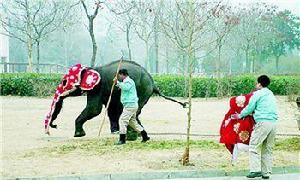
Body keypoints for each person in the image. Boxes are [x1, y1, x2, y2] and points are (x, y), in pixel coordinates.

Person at [231, 75, 278, 179]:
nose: (256, 85)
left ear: (259, 84)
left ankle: (255, 170)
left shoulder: (258, 94)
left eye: (257, 83)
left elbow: (250, 107)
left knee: (254, 146)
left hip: (262, 122)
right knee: (267, 148)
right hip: (273, 123)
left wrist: (240, 115)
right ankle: (266, 173)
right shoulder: (271, 94)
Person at [113, 69, 150, 145]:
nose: (119, 77)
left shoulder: (129, 81)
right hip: (130, 105)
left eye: (119, 75)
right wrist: (117, 83)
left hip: (130, 105)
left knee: (122, 121)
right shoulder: (126, 81)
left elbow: (125, 87)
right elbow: (123, 87)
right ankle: (144, 135)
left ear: (123, 74)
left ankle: (122, 139)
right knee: (132, 122)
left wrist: (117, 82)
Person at [219, 93, 255, 166]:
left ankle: (234, 161)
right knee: (238, 144)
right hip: (241, 128)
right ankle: (234, 161)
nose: (240, 105)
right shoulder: (248, 112)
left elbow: (228, 119)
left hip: (240, 128)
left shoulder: (235, 109)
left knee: (239, 145)